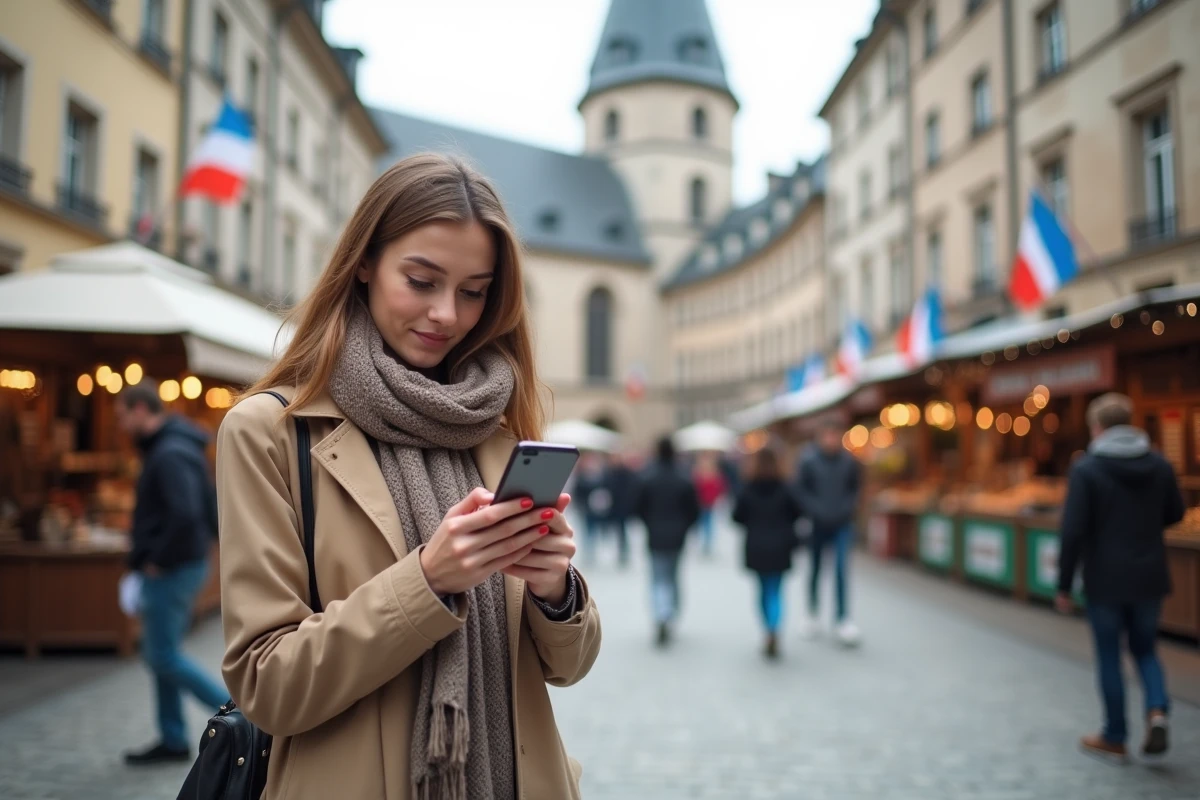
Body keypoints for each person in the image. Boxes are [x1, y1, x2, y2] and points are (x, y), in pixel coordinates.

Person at [217, 154, 601, 799]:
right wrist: (427, 581)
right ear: (364, 262)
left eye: (474, 291)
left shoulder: (497, 427)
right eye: (421, 281)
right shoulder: (270, 431)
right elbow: (266, 685)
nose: (447, 314)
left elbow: (568, 669)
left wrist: (554, 590)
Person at [1057, 392, 1184, 762]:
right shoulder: (1159, 464)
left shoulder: (1087, 469)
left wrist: (1064, 584)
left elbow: (1073, 531)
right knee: (1146, 649)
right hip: (1149, 576)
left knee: (1110, 656)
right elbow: (1175, 512)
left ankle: (1115, 735)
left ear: (1097, 427)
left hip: (1105, 579)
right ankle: (1157, 709)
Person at [115, 383, 228, 765]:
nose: (121, 425)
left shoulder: (169, 453)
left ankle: (240, 714)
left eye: (122, 416)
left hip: (173, 567)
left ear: (140, 410)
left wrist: (156, 560)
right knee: (162, 652)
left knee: (161, 654)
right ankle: (173, 737)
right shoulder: (174, 447)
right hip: (181, 563)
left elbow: (185, 514)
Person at [794, 420, 862, 646]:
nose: (831, 440)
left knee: (842, 570)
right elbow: (801, 491)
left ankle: (843, 618)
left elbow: (855, 489)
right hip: (817, 523)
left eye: (834, 435)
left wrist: (846, 509)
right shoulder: (809, 461)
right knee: (814, 569)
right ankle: (812, 613)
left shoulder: (849, 462)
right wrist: (814, 510)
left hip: (841, 523)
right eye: (827, 435)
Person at [732, 447, 802, 659]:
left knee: (763, 590)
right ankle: (774, 626)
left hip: (757, 546)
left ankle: (768, 628)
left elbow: (736, 516)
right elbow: (798, 512)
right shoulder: (786, 487)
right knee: (776, 590)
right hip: (780, 545)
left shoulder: (748, 487)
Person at [633, 436, 700, 646]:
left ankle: (661, 613)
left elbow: (638, 508)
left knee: (658, 578)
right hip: (677, 536)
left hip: (655, 534)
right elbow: (694, 511)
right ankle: (670, 613)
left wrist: (649, 523)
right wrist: (684, 527)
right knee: (673, 576)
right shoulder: (683, 478)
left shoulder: (647, 477)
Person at [602, 452, 638, 567]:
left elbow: (631, 490)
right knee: (618, 531)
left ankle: (623, 552)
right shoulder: (610, 473)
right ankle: (621, 552)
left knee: (622, 531)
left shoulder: (626, 473)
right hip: (615, 507)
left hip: (622, 507)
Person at [693, 453, 727, 556]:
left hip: (708, 503)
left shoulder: (711, 475)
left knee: (707, 523)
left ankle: (706, 543)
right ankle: (705, 543)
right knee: (705, 523)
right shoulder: (701, 474)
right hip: (703, 502)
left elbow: (720, 488)